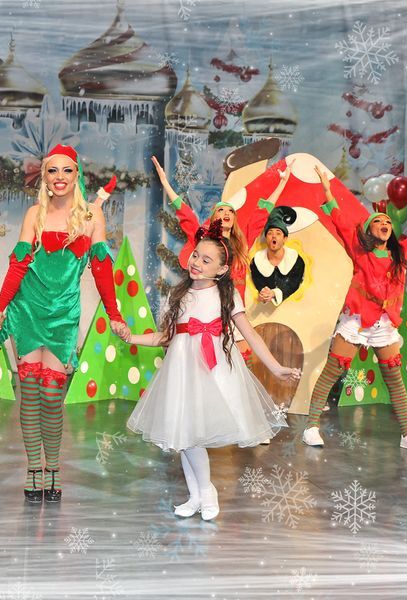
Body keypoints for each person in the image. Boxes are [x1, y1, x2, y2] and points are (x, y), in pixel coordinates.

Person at [125, 221, 299, 520]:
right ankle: (196, 496)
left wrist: (276, 367)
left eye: (207, 260)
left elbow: (252, 335)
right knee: (184, 437)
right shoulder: (180, 295)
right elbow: (165, 336)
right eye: (196, 255)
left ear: (220, 269)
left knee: (192, 438)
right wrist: (131, 337)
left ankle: (206, 492)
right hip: (182, 373)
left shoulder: (226, 296)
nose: (197, 263)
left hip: (212, 372)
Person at [0, 144, 130, 503]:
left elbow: (101, 268)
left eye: (67, 171)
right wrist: (0, 307)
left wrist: (114, 314)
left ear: (76, 175)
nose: (60, 177)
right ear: (45, 177)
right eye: (53, 171)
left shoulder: (90, 218)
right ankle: (34, 467)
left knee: (53, 396)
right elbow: (19, 264)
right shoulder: (34, 214)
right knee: (30, 393)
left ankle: (54, 465)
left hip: (63, 315)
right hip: (28, 311)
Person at [303, 166, 407, 452]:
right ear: (370, 230)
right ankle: (311, 427)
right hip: (357, 321)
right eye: (378, 221)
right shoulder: (360, 251)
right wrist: (326, 189)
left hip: (385, 324)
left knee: (394, 378)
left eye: (387, 220)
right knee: (332, 371)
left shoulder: (402, 251)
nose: (384, 222)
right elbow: (338, 218)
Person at [152, 156, 293, 368]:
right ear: (213, 216)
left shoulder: (242, 240)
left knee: (241, 360)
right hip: (207, 308)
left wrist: (282, 182)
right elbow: (185, 214)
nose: (226, 213)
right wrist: (165, 183)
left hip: (232, 306)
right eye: (221, 210)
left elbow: (262, 213)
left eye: (230, 211)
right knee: (204, 360)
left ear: (234, 219)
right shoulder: (203, 239)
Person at [250, 206, 306, 306]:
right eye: (270, 233)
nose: (274, 236)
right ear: (266, 237)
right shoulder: (257, 262)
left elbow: (293, 284)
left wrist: (274, 293)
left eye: (278, 233)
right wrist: (264, 294)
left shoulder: (296, 261)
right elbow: (259, 284)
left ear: (285, 239)